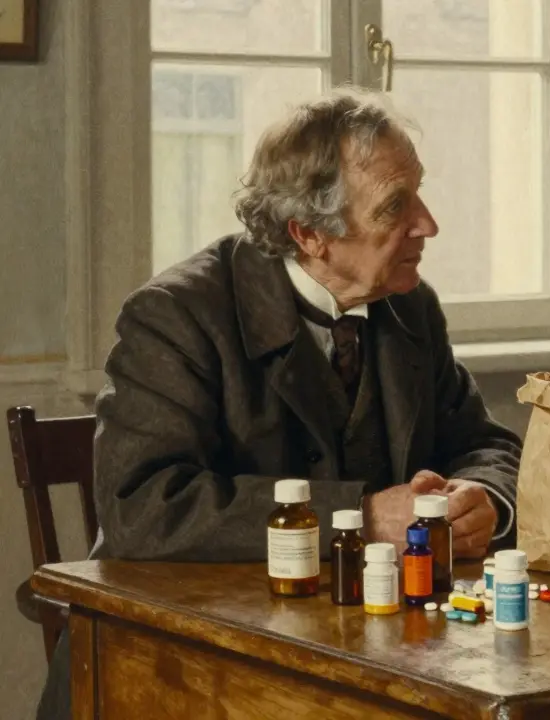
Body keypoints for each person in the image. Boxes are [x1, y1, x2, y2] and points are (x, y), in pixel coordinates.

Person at [38, 88, 521, 718]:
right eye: (395, 207)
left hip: (363, 651)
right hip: (170, 665)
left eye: (419, 193)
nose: (427, 223)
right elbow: (142, 508)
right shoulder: (176, 315)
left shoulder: (410, 306)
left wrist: (484, 499)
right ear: (310, 234)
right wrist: (365, 517)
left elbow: (483, 443)